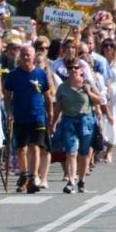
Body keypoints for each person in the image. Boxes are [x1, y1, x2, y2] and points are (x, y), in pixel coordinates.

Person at [4, 42, 52, 194]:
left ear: (33, 57)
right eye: (23, 55)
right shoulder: (13, 75)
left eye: (29, 55)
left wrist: (51, 114)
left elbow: (47, 96)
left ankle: (33, 177)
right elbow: (6, 96)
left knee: (35, 147)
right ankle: (23, 175)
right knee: (21, 149)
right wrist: (9, 112)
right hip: (20, 117)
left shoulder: (40, 74)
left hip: (37, 116)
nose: (26, 57)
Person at [49, 60, 99, 194]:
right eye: (69, 67)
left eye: (75, 67)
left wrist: (89, 92)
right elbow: (58, 106)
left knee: (84, 152)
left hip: (85, 119)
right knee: (71, 152)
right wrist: (53, 123)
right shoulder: (63, 88)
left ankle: (81, 180)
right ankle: (71, 181)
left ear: (81, 70)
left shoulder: (87, 83)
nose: (72, 70)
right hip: (69, 120)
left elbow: (100, 100)